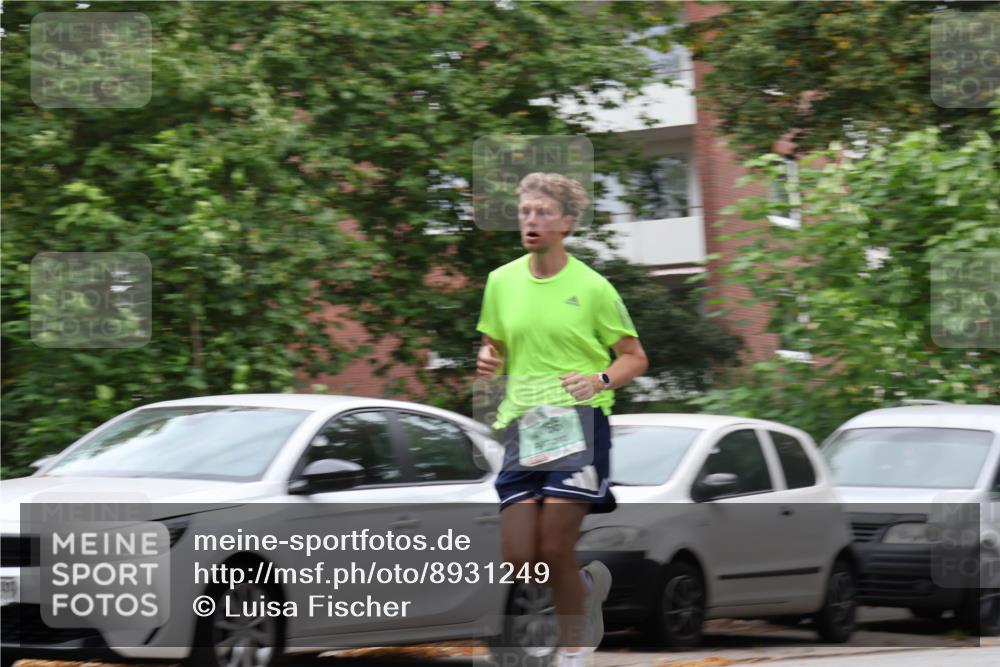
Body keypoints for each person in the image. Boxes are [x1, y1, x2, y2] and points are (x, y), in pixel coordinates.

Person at [476, 172, 648, 667]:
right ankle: (585, 584)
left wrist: (599, 379)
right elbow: (495, 352)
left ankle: (573, 653)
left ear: (567, 223)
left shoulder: (593, 288)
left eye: (543, 212)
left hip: (578, 421)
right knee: (519, 559)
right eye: (525, 211)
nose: (531, 220)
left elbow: (634, 357)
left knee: (553, 549)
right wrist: (488, 362)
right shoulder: (501, 282)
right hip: (525, 425)